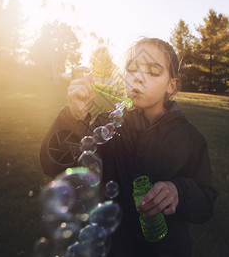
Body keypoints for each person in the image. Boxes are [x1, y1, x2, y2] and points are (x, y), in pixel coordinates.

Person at [40, 37, 218, 257]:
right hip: (112, 247)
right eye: (132, 69)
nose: (138, 79)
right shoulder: (106, 125)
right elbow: (55, 166)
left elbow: (205, 203)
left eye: (153, 71)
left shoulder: (191, 139)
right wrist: (74, 117)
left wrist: (179, 192)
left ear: (171, 85)